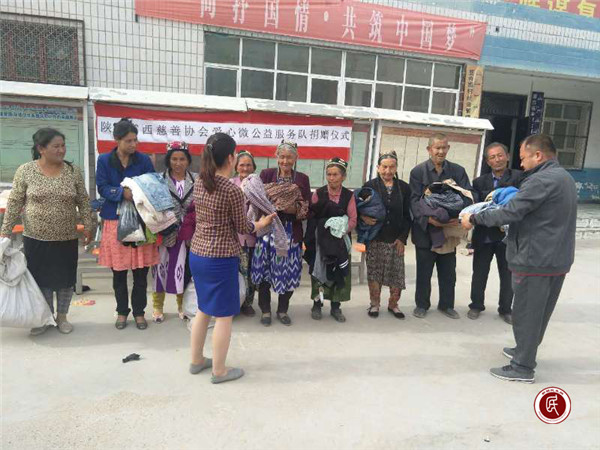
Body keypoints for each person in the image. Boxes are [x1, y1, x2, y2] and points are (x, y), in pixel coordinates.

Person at [461, 134, 577, 383]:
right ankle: (523, 350)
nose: (521, 165)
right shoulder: (564, 177)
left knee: (526, 313)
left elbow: (510, 212)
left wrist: (474, 218)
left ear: (538, 155)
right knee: (539, 312)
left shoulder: (541, 180)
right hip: (555, 258)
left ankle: (522, 367)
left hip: (535, 259)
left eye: (524, 158)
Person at [189, 133, 275, 384]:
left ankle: (196, 360)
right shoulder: (231, 189)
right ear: (230, 158)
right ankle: (219, 371)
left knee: (203, 309)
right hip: (220, 258)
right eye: (236, 154)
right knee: (224, 315)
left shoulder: (199, 182)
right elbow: (244, 227)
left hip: (198, 254)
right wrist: (262, 222)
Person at [0, 128, 93, 335]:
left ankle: (62, 317)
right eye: (56, 146)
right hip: (36, 237)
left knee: (65, 280)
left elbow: (83, 201)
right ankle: (43, 317)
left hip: (66, 237)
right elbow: (15, 202)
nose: (61, 150)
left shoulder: (73, 171)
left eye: (63, 146)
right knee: (40, 280)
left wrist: (89, 225)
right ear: (41, 149)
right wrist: (5, 231)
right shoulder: (26, 171)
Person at [96, 118, 158, 330]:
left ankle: (139, 312)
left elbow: (152, 183)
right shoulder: (104, 160)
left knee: (141, 272)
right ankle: (122, 311)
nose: (133, 144)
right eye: (129, 141)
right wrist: (121, 193)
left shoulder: (143, 160)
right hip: (115, 221)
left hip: (140, 220)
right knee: (119, 272)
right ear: (117, 140)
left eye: (135, 140)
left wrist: (137, 193)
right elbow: (102, 187)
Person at [409, 133, 473, 320]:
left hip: (449, 230)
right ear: (429, 149)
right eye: (437, 148)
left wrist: (457, 217)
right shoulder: (418, 172)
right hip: (426, 229)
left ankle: (446, 305)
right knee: (424, 272)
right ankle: (422, 305)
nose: (440, 151)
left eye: (444, 147)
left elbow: (468, 195)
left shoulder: (457, 171)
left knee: (448, 272)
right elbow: (413, 201)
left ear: (448, 148)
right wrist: (430, 220)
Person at [252, 141, 311, 327]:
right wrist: (275, 204)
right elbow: (258, 199)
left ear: (296, 158)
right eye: (282, 156)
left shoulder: (302, 179)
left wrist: (291, 208)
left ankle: (283, 310)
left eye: (289, 157)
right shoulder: (266, 174)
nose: (285, 161)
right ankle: (265, 310)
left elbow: (306, 207)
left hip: (290, 232)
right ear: (276, 157)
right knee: (264, 272)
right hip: (268, 230)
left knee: (289, 272)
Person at [468, 142, 523, 324]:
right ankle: (476, 305)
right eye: (492, 157)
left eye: (500, 155)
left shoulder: (519, 177)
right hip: (484, 235)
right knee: (479, 272)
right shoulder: (479, 182)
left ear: (507, 156)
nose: (497, 159)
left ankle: (506, 309)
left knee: (507, 274)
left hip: (508, 235)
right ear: (487, 161)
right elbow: (477, 207)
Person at [360, 151, 412, 319]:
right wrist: (363, 218)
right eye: (384, 167)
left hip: (396, 239)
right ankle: (374, 304)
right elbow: (358, 208)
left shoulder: (404, 188)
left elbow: (408, 216)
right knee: (374, 273)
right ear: (378, 168)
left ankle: (393, 304)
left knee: (396, 274)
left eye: (391, 167)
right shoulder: (369, 186)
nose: (388, 171)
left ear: (396, 168)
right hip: (375, 237)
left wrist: (402, 238)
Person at [306, 157, 357, 322]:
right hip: (321, 242)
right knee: (319, 272)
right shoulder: (319, 194)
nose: (331, 178)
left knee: (338, 272)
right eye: (329, 174)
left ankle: (336, 307)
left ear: (343, 176)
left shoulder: (349, 196)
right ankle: (317, 304)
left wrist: (338, 231)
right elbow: (312, 217)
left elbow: (353, 220)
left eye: (335, 175)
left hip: (340, 241)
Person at [151, 141, 196, 323]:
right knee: (159, 269)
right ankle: (157, 307)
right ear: (168, 160)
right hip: (165, 230)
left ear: (188, 161)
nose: (178, 163)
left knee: (183, 269)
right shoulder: (158, 180)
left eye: (182, 159)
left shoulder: (197, 179)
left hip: (188, 232)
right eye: (174, 159)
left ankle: (181, 306)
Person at [230, 150, 258, 317]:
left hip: (254, 236)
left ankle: (248, 303)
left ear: (253, 167)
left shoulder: (258, 183)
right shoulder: (230, 184)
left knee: (251, 272)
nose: (245, 168)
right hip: (234, 237)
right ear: (236, 167)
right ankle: (234, 303)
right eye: (242, 165)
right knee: (235, 272)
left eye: (248, 165)